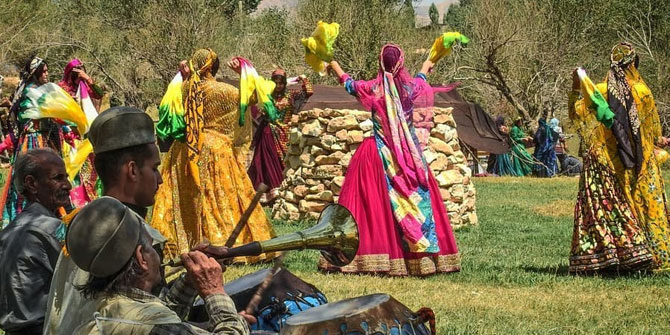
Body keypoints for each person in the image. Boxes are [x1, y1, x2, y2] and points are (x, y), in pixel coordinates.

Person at [320, 44, 460, 276]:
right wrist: (426, 65)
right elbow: (421, 82)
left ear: (380, 63)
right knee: (413, 201)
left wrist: (332, 62)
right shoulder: (411, 87)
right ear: (401, 64)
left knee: (374, 208)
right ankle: (419, 259)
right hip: (407, 158)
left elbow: (348, 83)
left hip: (377, 155)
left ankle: (371, 255)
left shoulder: (373, 88)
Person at [43, 107, 169, 335]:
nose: (159, 179)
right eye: (155, 168)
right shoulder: (127, 239)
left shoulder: (86, 226)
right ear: (132, 170)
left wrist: (190, 282)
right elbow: (151, 324)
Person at [151, 49, 276, 262]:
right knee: (219, 195)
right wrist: (242, 73)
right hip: (217, 150)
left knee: (187, 198)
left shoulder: (182, 90)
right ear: (214, 67)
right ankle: (226, 244)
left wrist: (184, 77)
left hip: (185, 150)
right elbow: (252, 98)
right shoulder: (225, 91)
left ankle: (184, 243)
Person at [66, 196, 250, 334]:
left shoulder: (104, 306)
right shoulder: (151, 327)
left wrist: (190, 280)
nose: (156, 253)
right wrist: (214, 292)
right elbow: (163, 326)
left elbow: (161, 314)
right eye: (152, 246)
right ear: (142, 258)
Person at [568, 68, 653, 273]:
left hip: (595, 164)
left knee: (595, 208)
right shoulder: (620, 103)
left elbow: (573, 112)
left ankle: (601, 255)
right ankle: (631, 249)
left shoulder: (588, 103)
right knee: (615, 203)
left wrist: (575, 86)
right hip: (616, 162)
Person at [602, 43, 670, 270]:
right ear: (632, 64)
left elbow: (580, 112)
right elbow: (653, 131)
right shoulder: (642, 91)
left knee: (621, 206)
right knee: (649, 205)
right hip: (643, 161)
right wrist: (659, 141)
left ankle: (624, 256)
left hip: (615, 162)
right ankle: (655, 254)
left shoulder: (604, 90)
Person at [0, 149, 72, 335]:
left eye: (66, 177)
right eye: (58, 178)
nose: (68, 185)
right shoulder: (50, 229)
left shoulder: (9, 231)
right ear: (32, 184)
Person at [244, 67, 313, 202]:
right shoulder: (266, 94)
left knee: (284, 163)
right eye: (275, 82)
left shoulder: (291, 95)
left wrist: (303, 78)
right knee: (265, 163)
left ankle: (284, 191)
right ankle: (268, 194)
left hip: (285, 134)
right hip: (268, 132)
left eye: (281, 83)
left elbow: (309, 91)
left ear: (285, 83)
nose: (279, 85)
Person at [57, 59, 102, 208]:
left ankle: (89, 199)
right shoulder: (61, 88)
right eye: (76, 72)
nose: (78, 76)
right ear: (70, 73)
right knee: (72, 170)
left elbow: (99, 94)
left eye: (81, 71)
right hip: (68, 136)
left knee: (88, 169)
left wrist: (88, 79)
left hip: (84, 136)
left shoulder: (83, 87)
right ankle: (73, 202)